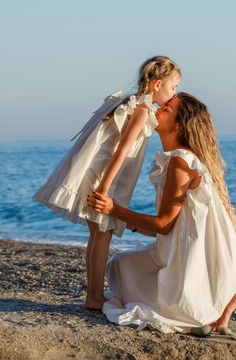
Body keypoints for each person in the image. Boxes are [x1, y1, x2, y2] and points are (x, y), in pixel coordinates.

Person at [87, 92, 236, 333]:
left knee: (166, 307)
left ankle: (218, 299)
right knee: (119, 265)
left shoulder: (180, 161)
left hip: (191, 263)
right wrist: (122, 219)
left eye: (167, 108)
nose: (158, 109)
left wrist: (115, 209)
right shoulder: (177, 160)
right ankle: (219, 296)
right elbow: (171, 229)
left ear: (179, 125)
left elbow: (163, 224)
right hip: (191, 257)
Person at [33, 56, 181, 311]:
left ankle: (93, 293)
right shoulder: (143, 110)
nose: (174, 93)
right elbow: (121, 151)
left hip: (100, 173)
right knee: (103, 233)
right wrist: (104, 189)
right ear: (157, 84)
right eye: (173, 87)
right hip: (108, 178)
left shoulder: (129, 102)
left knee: (97, 234)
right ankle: (94, 296)